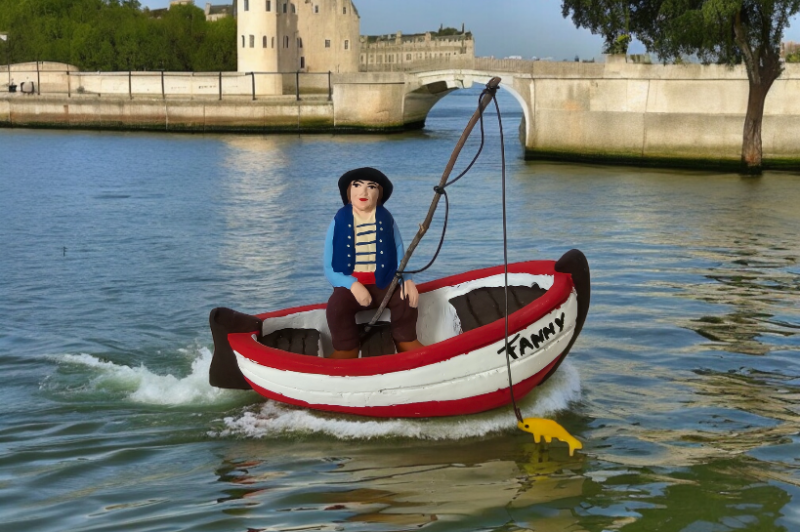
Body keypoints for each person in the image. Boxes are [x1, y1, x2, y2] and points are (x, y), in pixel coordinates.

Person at [323, 167, 424, 359]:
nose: (363, 192)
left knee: (405, 301)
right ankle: (346, 348)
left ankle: (406, 340)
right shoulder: (338, 221)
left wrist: (407, 279)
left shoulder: (387, 219)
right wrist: (352, 285)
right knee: (336, 308)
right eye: (357, 185)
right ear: (348, 191)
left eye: (371, 187)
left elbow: (400, 252)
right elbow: (329, 267)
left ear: (379, 194)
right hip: (352, 286)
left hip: (385, 281)